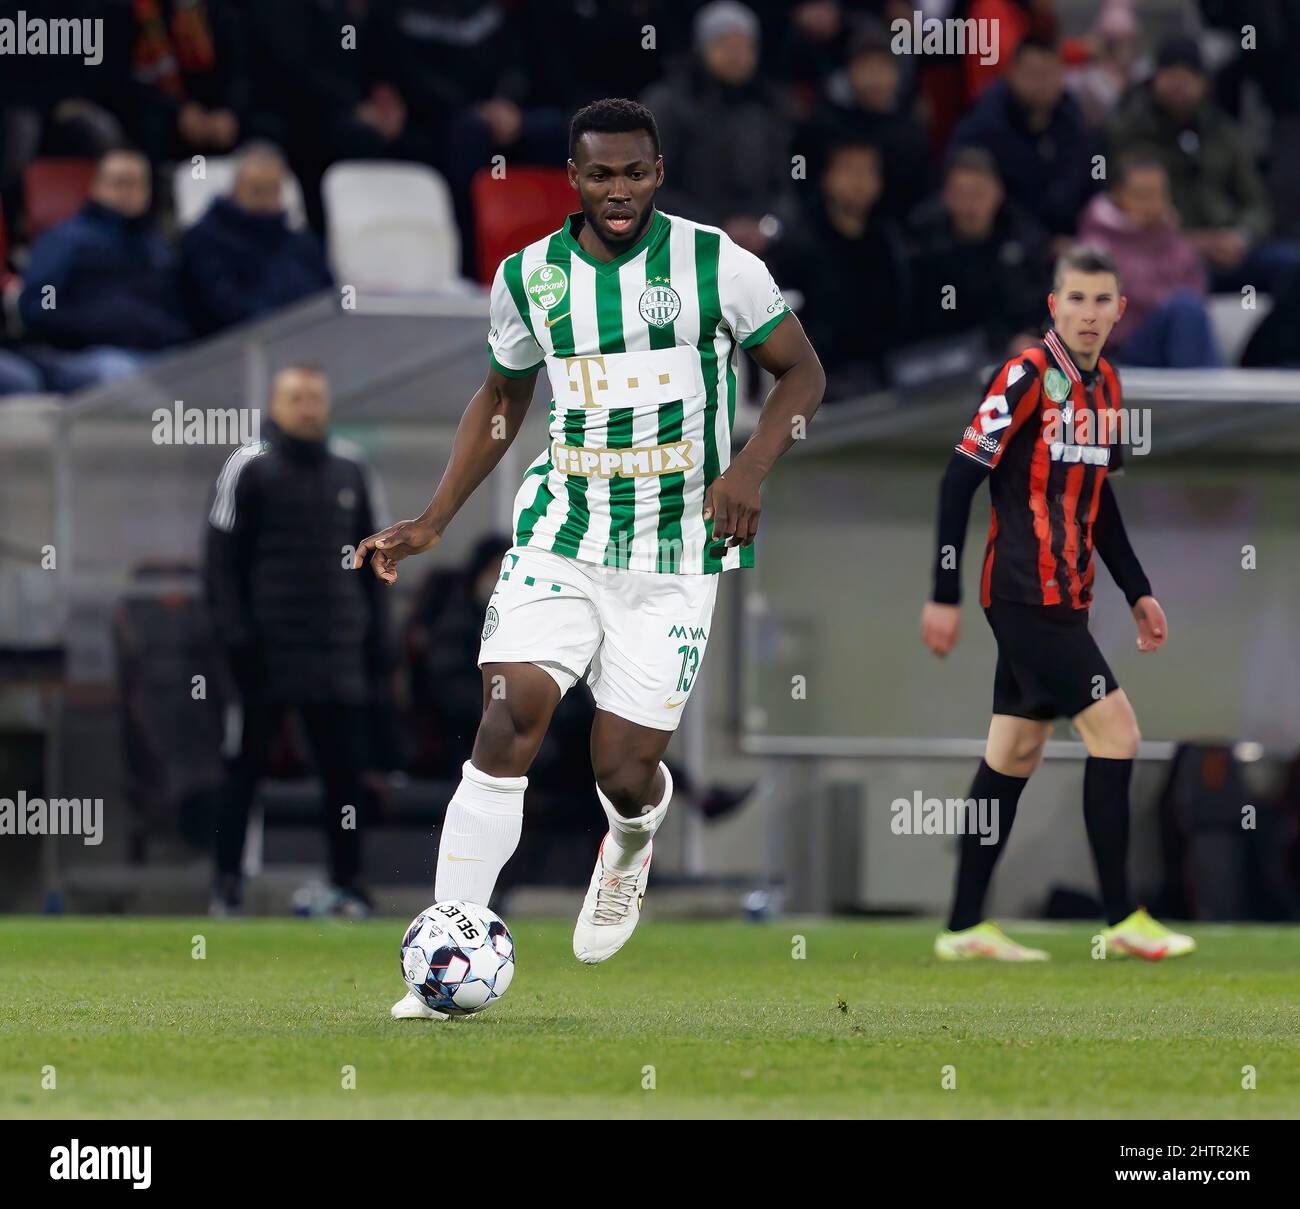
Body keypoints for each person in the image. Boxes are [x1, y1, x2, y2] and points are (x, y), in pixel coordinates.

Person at [355, 97, 824, 1019]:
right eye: (601, 174)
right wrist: (433, 517)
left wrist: (750, 468)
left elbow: (801, 371)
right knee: (507, 719)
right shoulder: (529, 276)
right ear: (572, 178)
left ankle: (632, 835)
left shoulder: (714, 264)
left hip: (676, 552)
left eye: (636, 172)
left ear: (659, 172)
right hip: (560, 536)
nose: (619, 191)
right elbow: (501, 396)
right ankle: (445, 953)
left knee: (621, 767)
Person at [919, 246, 1195, 963]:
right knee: (1119, 732)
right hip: (1020, 593)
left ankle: (963, 925)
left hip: (1066, 598)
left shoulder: (1107, 387)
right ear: (1054, 304)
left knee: (1013, 753)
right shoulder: (1023, 377)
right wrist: (942, 594)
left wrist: (1138, 590)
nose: (1089, 313)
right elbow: (958, 480)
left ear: (1119, 310)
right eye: (1076, 299)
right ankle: (1122, 916)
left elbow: (1099, 505)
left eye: (1103, 300)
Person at [205, 364, 396, 917]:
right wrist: (235, 635)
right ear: (275, 404)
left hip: (337, 650)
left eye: (315, 397)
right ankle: (227, 882)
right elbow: (219, 563)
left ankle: (348, 882)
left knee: (344, 773)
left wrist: (378, 637)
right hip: (264, 651)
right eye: (295, 398)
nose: (307, 408)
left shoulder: (353, 469)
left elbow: (377, 561)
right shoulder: (248, 466)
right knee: (245, 767)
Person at [1108, 35, 1300, 294]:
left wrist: (1240, 236)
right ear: (1155, 79)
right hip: (1166, 257)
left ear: (1203, 83)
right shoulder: (1128, 135)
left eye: (1188, 77)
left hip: (1230, 249)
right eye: (1171, 76)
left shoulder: (1223, 131)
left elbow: (1257, 203)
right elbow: (1121, 214)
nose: (1179, 85)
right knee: (1183, 284)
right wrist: (1187, 243)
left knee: (1290, 264)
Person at [18, 148, 189, 391]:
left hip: (157, 354)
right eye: (119, 183)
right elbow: (39, 305)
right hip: (86, 355)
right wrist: (95, 324)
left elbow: (177, 309)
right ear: (96, 187)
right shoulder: (65, 240)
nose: (128, 192)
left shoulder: (158, 249)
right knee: (121, 375)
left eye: (138, 184)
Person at [642, 1, 792, 255]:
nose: (738, 55)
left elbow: (785, 190)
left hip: (757, 249)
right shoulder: (668, 104)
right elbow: (650, 188)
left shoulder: (766, 106)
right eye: (725, 45)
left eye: (746, 46)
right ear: (701, 47)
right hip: (683, 247)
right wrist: (717, 228)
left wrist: (768, 228)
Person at [766, 139, 909, 397]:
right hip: (824, 380)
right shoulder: (800, 247)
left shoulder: (887, 241)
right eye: (850, 170)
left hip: (887, 371)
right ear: (826, 178)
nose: (860, 181)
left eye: (869, 171)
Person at [948, 35, 1100, 241]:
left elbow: (1096, 168)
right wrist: (1040, 242)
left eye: (1050, 74)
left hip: (1071, 237)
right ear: (1012, 73)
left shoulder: (1074, 120)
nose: (1042, 84)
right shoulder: (986, 125)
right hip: (1005, 242)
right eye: (1033, 74)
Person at [1076, 155, 1219, 367]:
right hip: (1120, 349)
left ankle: (1214, 392)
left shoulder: (1168, 235)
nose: (1152, 205)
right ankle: (1206, 396)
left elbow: (1195, 282)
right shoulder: (1095, 245)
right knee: (1183, 308)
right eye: (1142, 195)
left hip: (1172, 334)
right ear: (1117, 195)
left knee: (1187, 311)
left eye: (1159, 195)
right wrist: (1165, 300)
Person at [906, 146, 1048, 358]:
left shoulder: (1022, 237)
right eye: (960, 194)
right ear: (945, 196)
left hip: (1018, 350)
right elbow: (928, 320)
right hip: (949, 357)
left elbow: (1039, 301)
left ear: (998, 193)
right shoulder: (926, 246)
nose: (970, 205)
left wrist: (1032, 335)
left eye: (979, 194)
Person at [182, 141, 333, 335]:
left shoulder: (301, 243)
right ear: (235, 189)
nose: (265, 200)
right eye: (257, 190)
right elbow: (224, 308)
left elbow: (328, 296)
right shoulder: (206, 241)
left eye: (273, 190)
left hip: (312, 339)